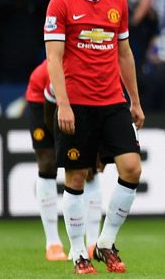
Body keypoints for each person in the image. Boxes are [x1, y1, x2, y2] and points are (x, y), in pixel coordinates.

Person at [43, 0, 144, 274]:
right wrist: (64, 105)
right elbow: (54, 59)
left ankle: (103, 243)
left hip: (112, 101)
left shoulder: (117, 2)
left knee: (131, 168)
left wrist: (135, 100)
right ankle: (77, 253)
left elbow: (124, 53)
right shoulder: (60, 4)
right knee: (75, 177)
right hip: (78, 104)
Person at [26, 60, 103, 262]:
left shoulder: (98, 67)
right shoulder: (60, 70)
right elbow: (52, 113)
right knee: (48, 162)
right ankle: (53, 243)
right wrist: (66, 145)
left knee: (90, 167)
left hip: (84, 102)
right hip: (43, 100)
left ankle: (93, 243)